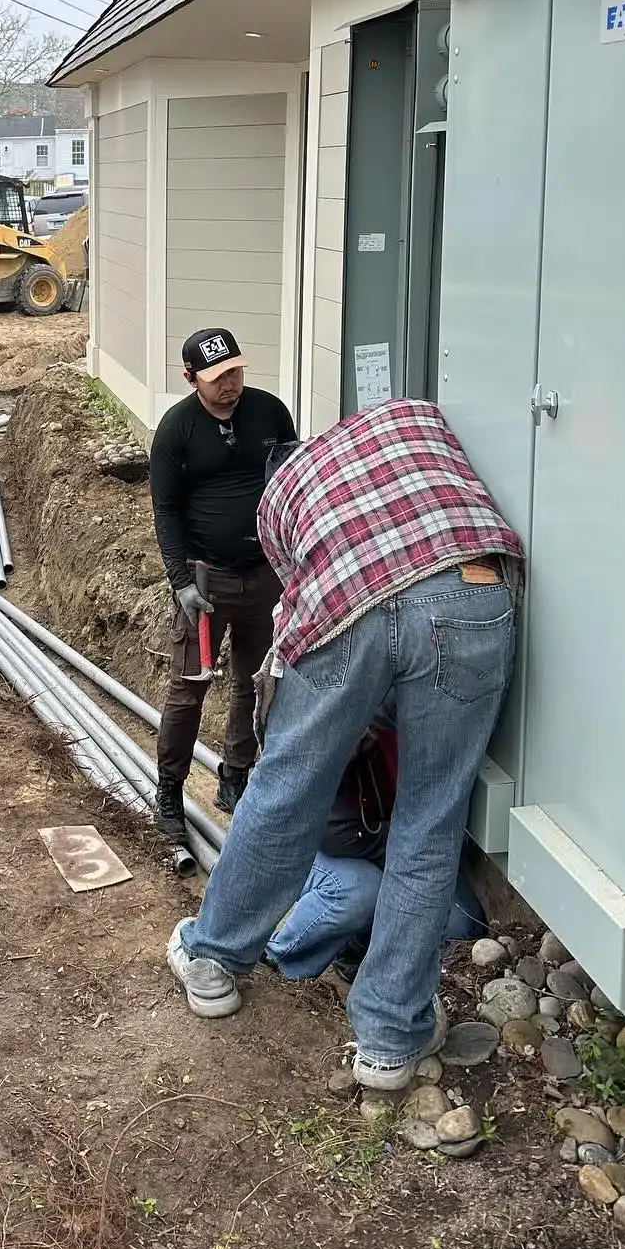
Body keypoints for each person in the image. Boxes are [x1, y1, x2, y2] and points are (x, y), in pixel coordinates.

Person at [165, 395, 523, 1092]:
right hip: (471, 591)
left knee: (284, 787)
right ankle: (390, 1041)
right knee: (428, 822)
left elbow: (298, 588)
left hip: (348, 605)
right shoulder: (405, 415)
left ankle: (213, 964)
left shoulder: (282, 498)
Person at [148, 328, 295, 840]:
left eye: (234, 372)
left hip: (266, 575)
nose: (229, 385)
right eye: (216, 378)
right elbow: (164, 509)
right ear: (190, 379)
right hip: (206, 584)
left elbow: (290, 481)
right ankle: (169, 789)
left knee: (255, 682)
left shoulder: (269, 413)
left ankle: (236, 774)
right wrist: (180, 581)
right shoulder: (176, 430)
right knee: (190, 688)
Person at [265, 723, 484, 986]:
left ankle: (371, 955)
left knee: (462, 927)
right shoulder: (347, 725)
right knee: (358, 891)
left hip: (403, 845)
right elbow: (335, 834)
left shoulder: (435, 728)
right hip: (317, 844)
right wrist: (409, 859)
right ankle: (281, 964)